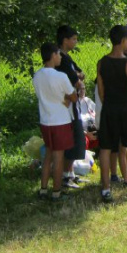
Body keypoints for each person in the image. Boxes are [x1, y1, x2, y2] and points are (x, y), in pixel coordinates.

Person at [96, 25, 127, 200]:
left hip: (109, 108)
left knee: (105, 148)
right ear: (124, 40)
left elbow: (101, 91)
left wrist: (109, 105)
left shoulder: (101, 63)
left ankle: (106, 189)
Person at [33, 43, 77, 201]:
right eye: (58, 54)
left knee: (48, 156)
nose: (60, 57)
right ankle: (57, 192)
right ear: (53, 55)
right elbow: (73, 96)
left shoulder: (37, 76)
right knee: (59, 157)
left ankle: (43, 189)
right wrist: (66, 98)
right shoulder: (61, 76)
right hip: (60, 121)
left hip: (45, 121)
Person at [55, 25, 87, 189]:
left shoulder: (67, 58)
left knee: (77, 138)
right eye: (73, 39)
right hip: (66, 105)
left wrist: (79, 78)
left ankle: (71, 173)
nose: (75, 42)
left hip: (74, 105)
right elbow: (75, 78)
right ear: (65, 40)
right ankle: (65, 176)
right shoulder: (61, 59)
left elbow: (80, 73)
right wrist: (79, 81)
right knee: (72, 139)